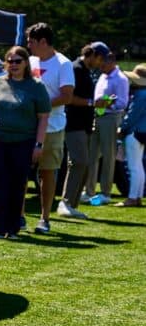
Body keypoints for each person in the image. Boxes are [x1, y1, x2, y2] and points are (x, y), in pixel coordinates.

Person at [0, 46, 51, 239]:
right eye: (10, 61)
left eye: (18, 61)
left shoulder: (36, 87)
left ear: (26, 63)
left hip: (23, 142)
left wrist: (39, 145)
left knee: (17, 185)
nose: (13, 64)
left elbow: (43, 117)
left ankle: (13, 227)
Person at [26, 22, 74, 234]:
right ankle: (18, 217)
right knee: (20, 172)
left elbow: (67, 96)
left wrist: (40, 106)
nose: (28, 45)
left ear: (43, 42)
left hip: (53, 128)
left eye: (32, 42)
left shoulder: (63, 64)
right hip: (27, 125)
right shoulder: (30, 60)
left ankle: (44, 219)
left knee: (48, 173)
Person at [57, 42, 109, 218]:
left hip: (83, 124)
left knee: (83, 163)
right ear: (92, 55)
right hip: (73, 123)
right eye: (100, 58)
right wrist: (93, 103)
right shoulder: (75, 68)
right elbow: (69, 98)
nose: (101, 63)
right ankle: (65, 203)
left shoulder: (86, 70)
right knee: (79, 162)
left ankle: (71, 203)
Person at [84, 51, 130, 205]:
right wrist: (101, 104)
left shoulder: (121, 79)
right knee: (92, 155)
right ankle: (89, 190)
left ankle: (105, 192)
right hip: (98, 117)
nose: (100, 66)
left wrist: (107, 103)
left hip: (111, 118)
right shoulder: (103, 76)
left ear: (111, 62)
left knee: (108, 156)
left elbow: (122, 103)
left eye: (103, 63)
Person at [114, 63, 146, 207]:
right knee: (139, 167)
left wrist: (121, 128)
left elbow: (132, 115)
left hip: (135, 133)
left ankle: (132, 198)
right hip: (143, 133)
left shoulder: (140, 95)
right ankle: (137, 196)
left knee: (134, 167)